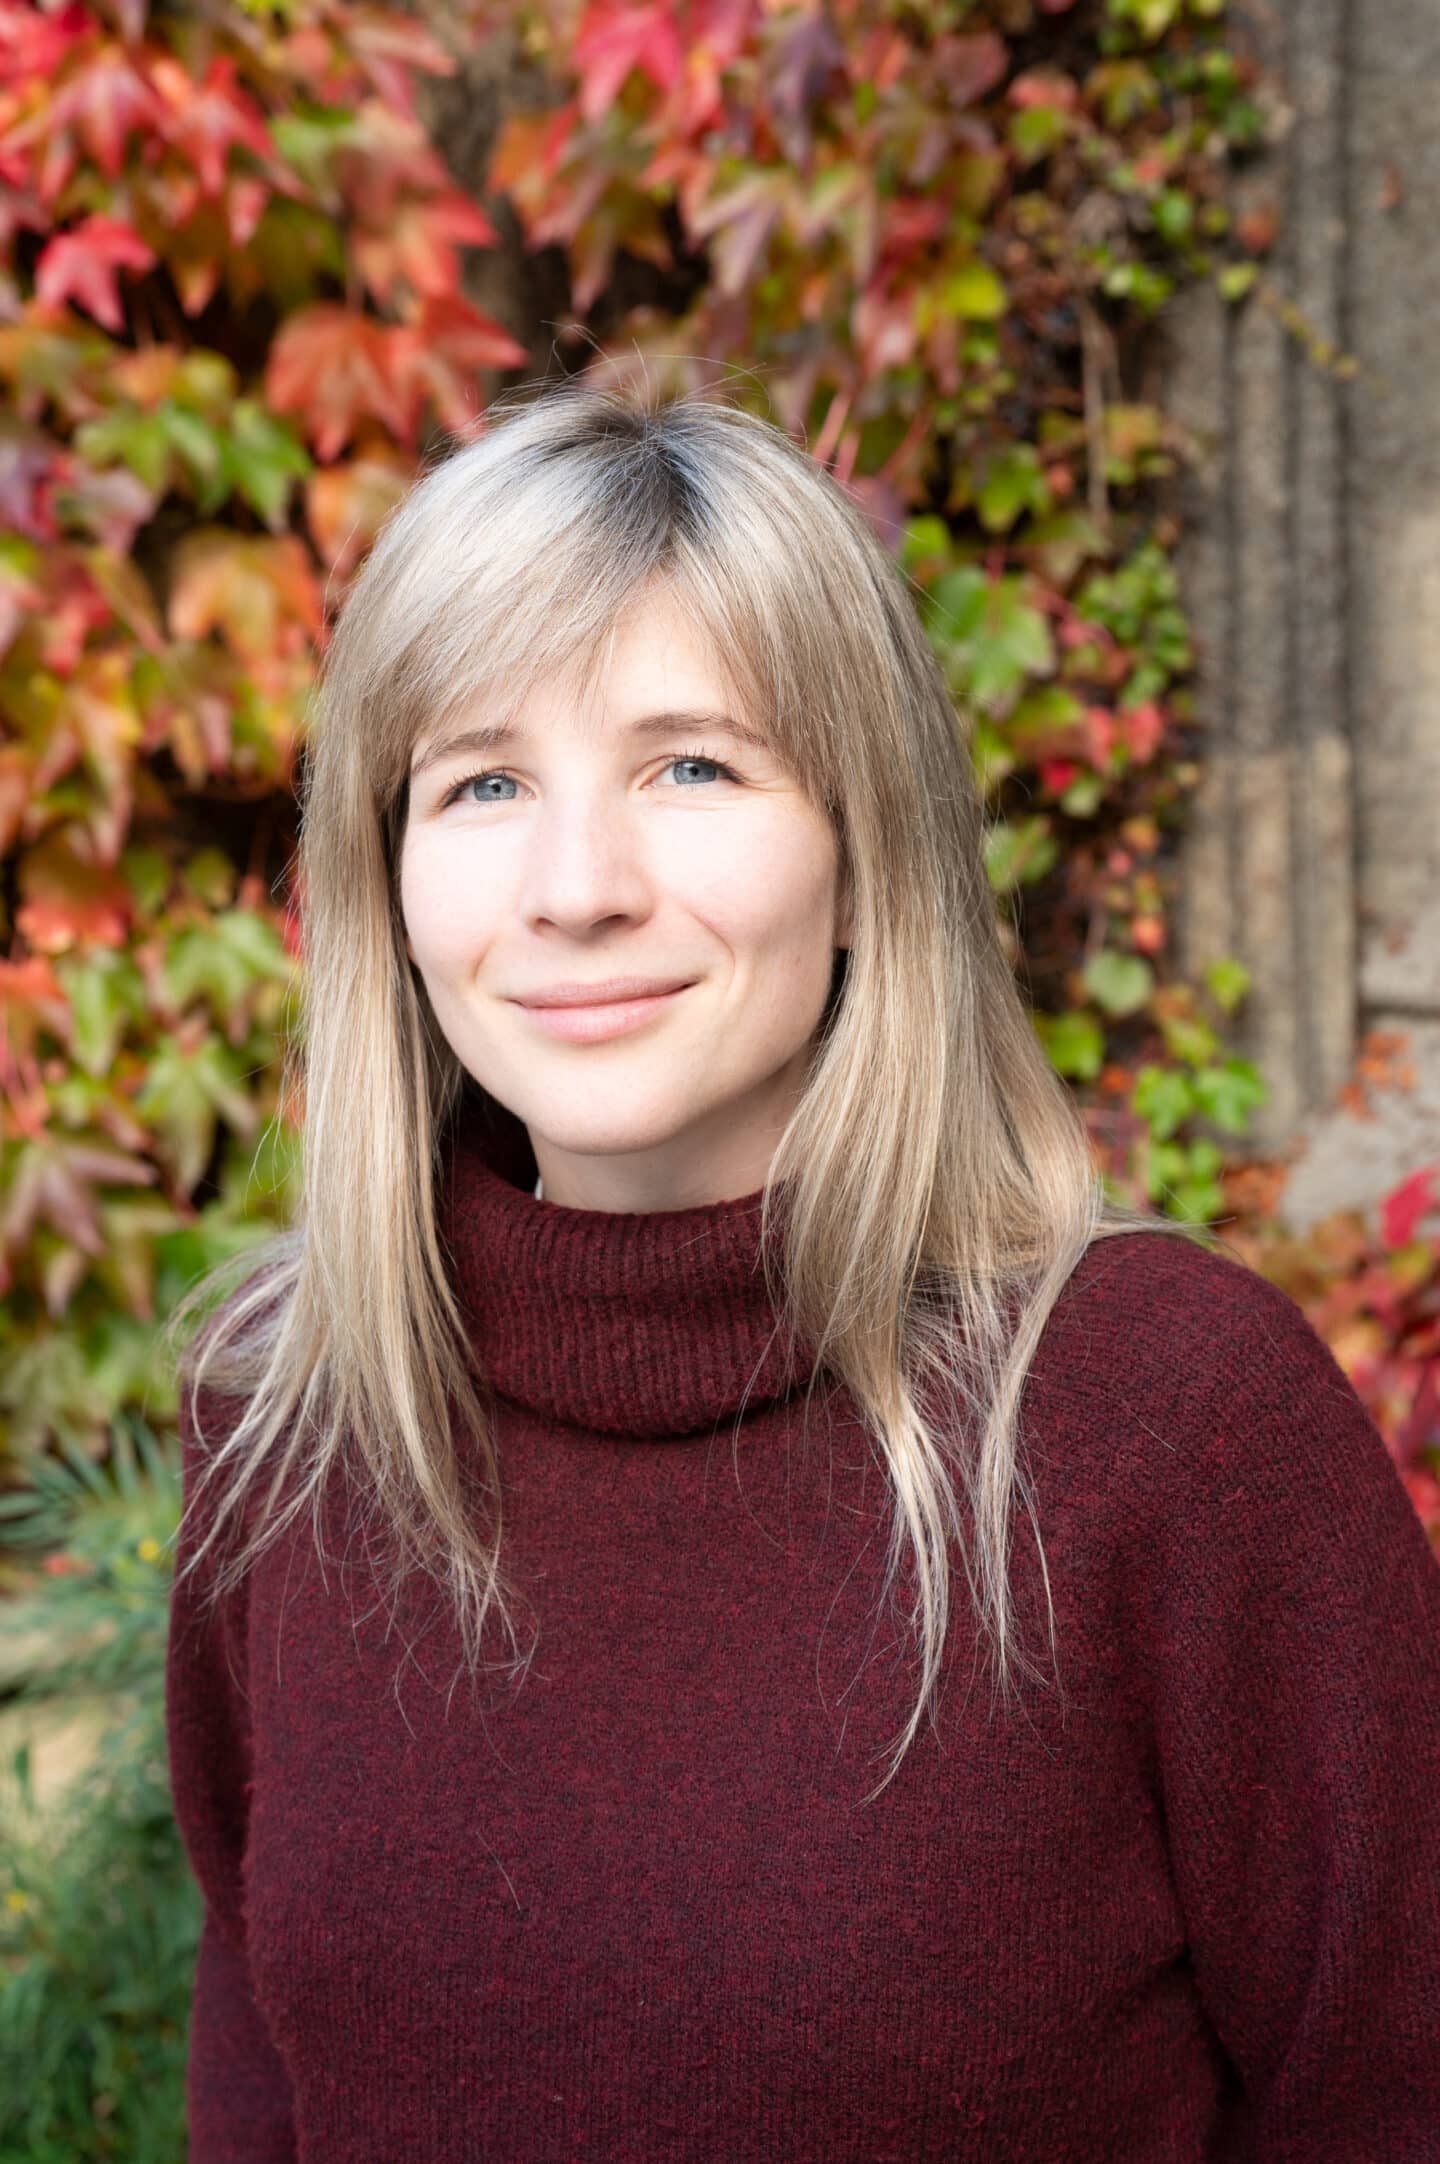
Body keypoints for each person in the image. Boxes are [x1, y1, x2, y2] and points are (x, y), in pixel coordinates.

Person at [163, 377, 1440, 2164]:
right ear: (386, 883)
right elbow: (258, 2082)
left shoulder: (1167, 1426)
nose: (577, 884)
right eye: (484, 781)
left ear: (863, 855)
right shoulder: (287, 1424)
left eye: (692, 764)